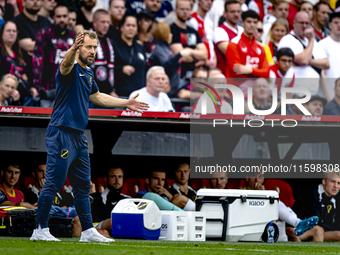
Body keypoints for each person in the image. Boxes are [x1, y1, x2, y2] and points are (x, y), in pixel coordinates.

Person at [30, 30, 149, 242]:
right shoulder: (70, 68)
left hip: (79, 137)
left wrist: (126, 103)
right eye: (88, 47)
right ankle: (39, 230)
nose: (92, 51)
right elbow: (65, 64)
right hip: (61, 132)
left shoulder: (88, 73)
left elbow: (98, 97)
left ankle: (87, 231)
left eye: (94, 47)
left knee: (84, 186)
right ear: (79, 47)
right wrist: (73, 49)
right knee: (54, 183)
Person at [243, 172, 323, 242]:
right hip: (250, 227)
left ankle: (298, 223)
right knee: (274, 203)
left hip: (271, 229)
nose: (257, 180)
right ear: (247, 177)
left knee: (276, 203)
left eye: (260, 177)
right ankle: (298, 223)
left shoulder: (269, 193)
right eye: (254, 176)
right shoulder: (240, 192)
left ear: (263, 179)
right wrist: (262, 195)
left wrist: (264, 194)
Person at [32, 5, 76, 107]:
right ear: (53, 18)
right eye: (59, 16)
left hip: (69, 90)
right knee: (47, 119)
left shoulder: (74, 36)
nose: (62, 19)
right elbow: (37, 62)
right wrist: (37, 87)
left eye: (64, 16)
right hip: (48, 90)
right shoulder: (44, 33)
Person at [278, 11, 329, 96]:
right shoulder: (287, 40)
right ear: (294, 23)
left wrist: (309, 61)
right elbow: (304, 60)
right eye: (301, 23)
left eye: (307, 23)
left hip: (314, 95)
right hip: (295, 94)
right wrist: (311, 40)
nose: (304, 26)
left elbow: (326, 64)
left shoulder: (313, 43)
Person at [225, 10, 270, 94]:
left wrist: (249, 70)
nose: (252, 25)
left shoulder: (260, 47)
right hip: (235, 90)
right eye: (249, 22)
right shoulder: (234, 43)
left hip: (254, 90)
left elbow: (266, 73)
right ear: (242, 23)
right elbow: (236, 73)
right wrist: (257, 72)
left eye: (255, 22)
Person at [292, 170, 340, 241]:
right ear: (324, 181)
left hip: (318, 230)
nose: (335, 186)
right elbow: (317, 222)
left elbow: (333, 223)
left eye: (338, 183)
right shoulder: (312, 194)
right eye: (332, 181)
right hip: (298, 230)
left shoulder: (334, 199)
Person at [149, 22, 193, 98]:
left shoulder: (165, 48)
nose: (171, 35)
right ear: (163, 33)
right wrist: (180, 54)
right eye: (169, 33)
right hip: (164, 90)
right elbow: (165, 65)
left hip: (172, 90)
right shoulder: (158, 48)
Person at [12, 0, 51, 87]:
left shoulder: (45, 21)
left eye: (38, 0)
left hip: (45, 71)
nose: (35, 2)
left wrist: (37, 48)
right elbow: (27, 45)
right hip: (27, 71)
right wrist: (45, 45)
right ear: (23, 3)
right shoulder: (18, 21)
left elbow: (54, 42)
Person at [170, 0, 208, 87]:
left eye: (187, 9)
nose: (185, 12)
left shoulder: (193, 31)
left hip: (193, 76)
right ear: (175, 10)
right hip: (179, 76)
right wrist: (197, 56)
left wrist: (189, 51)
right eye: (182, 9)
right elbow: (182, 56)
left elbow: (205, 54)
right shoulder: (172, 29)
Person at [112, 14, 147, 97]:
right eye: (128, 25)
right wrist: (121, 69)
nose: (131, 28)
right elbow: (105, 67)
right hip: (119, 96)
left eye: (134, 26)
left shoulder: (139, 47)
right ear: (121, 27)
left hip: (139, 97)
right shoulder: (112, 44)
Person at [91, 167, 131, 235]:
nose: (117, 180)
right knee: (114, 221)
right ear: (106, 179)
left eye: (120, 177)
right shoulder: (100, 197)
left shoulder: (128, 199)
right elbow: (105, 216)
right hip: (103, 226)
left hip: (121, 227)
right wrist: (94, 195)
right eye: (113, 177)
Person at [0, 21, 30, 103]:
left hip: (19, 95)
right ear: (2, 32)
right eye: (8, 30)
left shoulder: (18, 53)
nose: (11, 33)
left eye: (14, 31)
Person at [213, 0, 243, 75]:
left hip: (240, 76)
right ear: (225, 13)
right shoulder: (219, 30)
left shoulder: (243, 30)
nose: (236, 14)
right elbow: (231, 53)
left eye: (238, 11)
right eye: (232, 11)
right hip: (224, 76)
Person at [91, 9, 116, 98]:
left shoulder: (109, 41)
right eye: (102, 22)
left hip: (106, 93)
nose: (106, 25)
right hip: (90, 93)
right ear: (94, 22)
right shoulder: (86, 40)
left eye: (107, 22)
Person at [318, 12, 340, 101]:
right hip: (327, 96)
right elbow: (321, 73)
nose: (339, 25)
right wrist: (328, 97)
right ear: (330, 25)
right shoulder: (323, 44)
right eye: (336, 22)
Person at [188, 0, 215, 68]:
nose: (209, 2)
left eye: (211, 1)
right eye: (206, 0)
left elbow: (211, 43)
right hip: (197, 64)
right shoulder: (191, 19)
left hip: (211, 64)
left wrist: (214, 59)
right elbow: (190, 45)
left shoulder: (210, 22)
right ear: (199, 1)